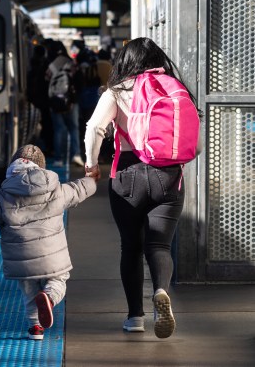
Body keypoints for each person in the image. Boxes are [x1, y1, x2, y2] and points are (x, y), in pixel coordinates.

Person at [83, 37, 203, 339]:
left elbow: (94, 128)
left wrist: (91, 165)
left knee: (131, 247)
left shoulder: (118, 91)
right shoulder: (176, 88)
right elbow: (196, 144)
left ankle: (135, 317)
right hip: (169, 177)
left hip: (128, 175)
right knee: (159, 245)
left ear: (126, 61)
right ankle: (161, 290)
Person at [0, 144, 98, 340]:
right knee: (58, 280)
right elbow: (79, 189)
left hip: (22, 261)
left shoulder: (1, 196)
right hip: (53, 256)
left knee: (29, 294)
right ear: (40, 167)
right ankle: (49, 298)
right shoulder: (56, 189)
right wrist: (91, 179)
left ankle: (36, 329)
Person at [45, 41, 85, 167]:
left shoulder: (51, 65)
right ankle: (76, 155)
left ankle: (59, 159)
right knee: (73, 129)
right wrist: (74, 99)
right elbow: (79, 82)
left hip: (55, 102)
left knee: (59, 130)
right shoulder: (72, 63)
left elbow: (45, 82)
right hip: (72, 102)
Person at [26, 44, 53, 155]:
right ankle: (47, 146)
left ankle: (41, 145)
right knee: (47, 123)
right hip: (45, 98)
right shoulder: (48, 64)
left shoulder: (32, 64)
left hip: (34, 98)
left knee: (41, 123)